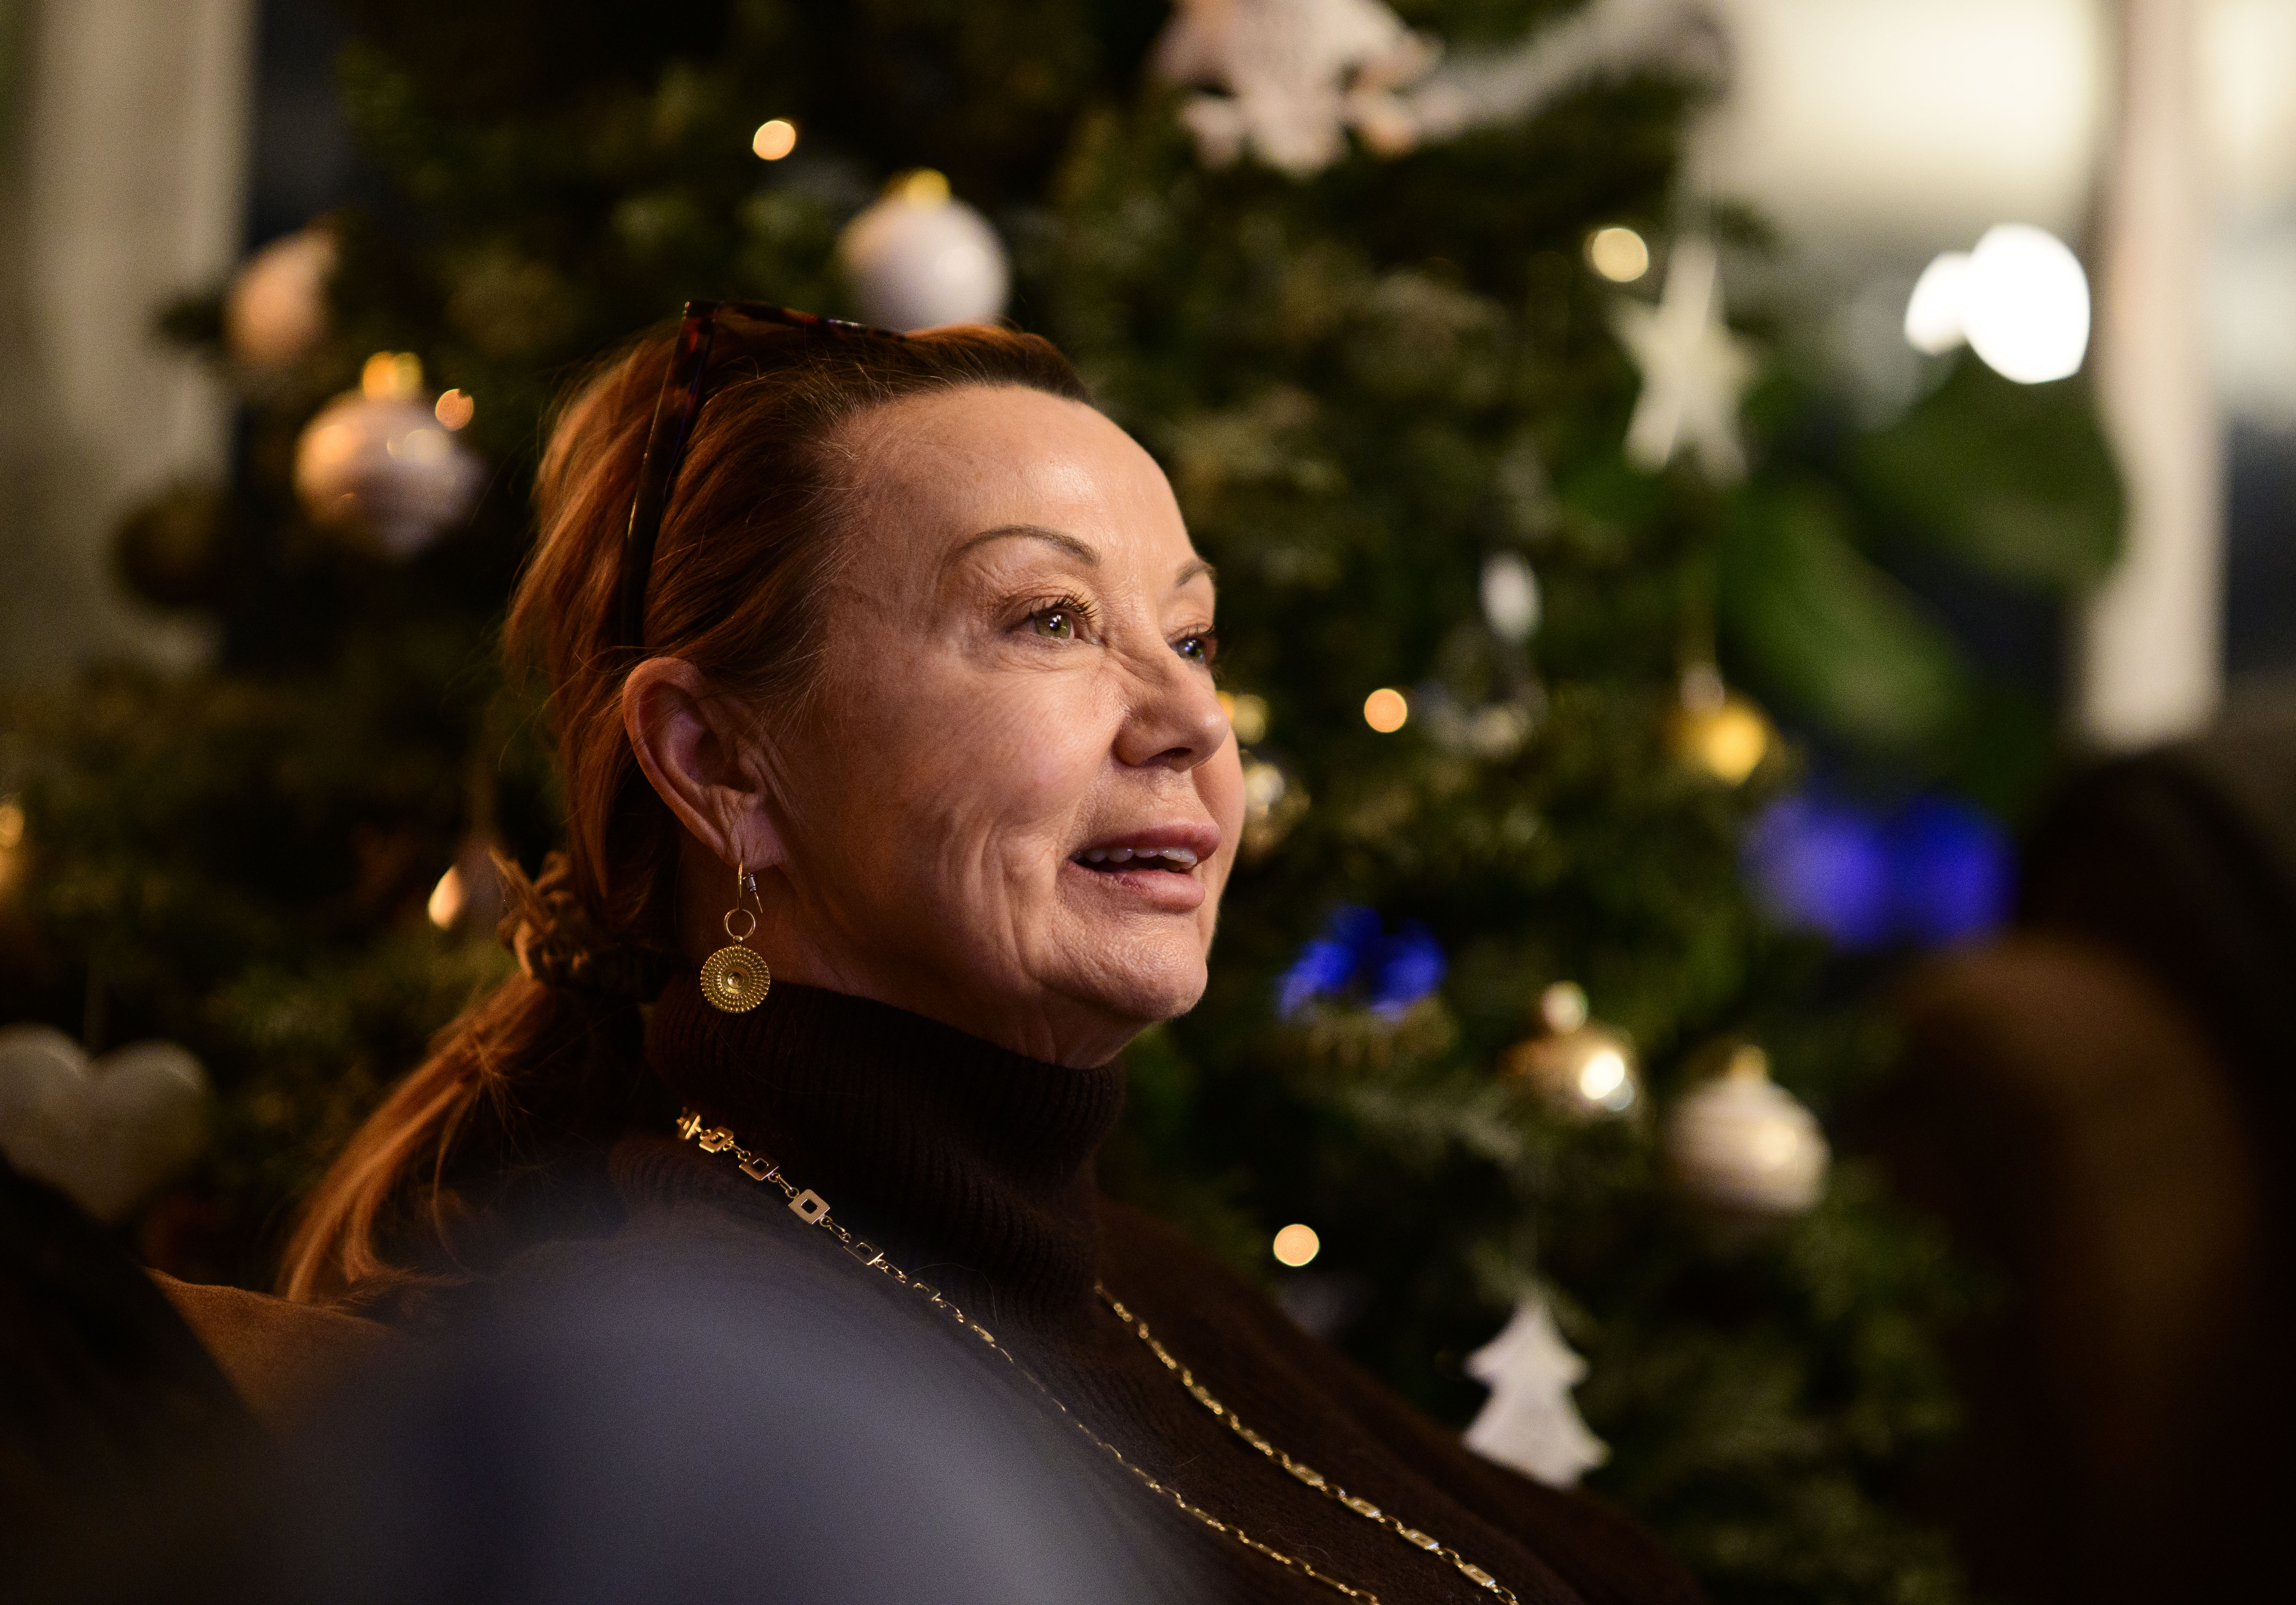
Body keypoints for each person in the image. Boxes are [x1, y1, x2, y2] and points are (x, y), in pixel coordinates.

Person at [209, 303, 1702, 1604]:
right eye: (1049, 618)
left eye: (1190, 638)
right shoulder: (707, 1411)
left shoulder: (1133, 1265)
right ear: (721, 759)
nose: (1192, 723)